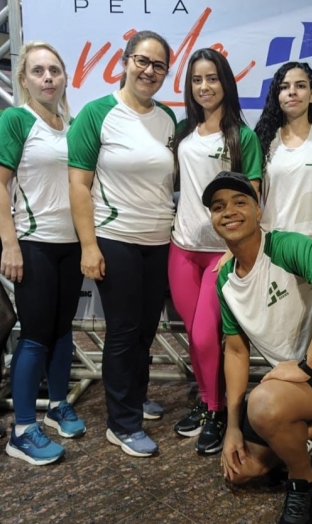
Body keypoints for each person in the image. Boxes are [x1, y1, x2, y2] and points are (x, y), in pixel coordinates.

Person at [204, 171, 312, 524]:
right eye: (218, 206)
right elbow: (236, 352)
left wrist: (307, 366)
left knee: (265, 406)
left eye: (240, 202)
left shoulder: (285, 245)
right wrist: (232, 428)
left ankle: (305, 484)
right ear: (212, 219)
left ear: (258, 210)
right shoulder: (225, 280)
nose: (229, 211)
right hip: (293, 386)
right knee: (242, 469)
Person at [68, 30, 177, 457]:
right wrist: (89, 246)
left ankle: (134, 395)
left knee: (147, 330)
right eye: (142, 61)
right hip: (116, 239)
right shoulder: (97, 114)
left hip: (159, 240)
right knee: (123, 332)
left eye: (158, 65)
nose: (149, 71)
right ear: (125, 61)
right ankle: (122, 423)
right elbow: (79, 185)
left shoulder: (167, 118)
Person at [169, 48, 262, 455]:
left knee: (210, 338)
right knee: (195, 335)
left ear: (226, 82)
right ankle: (210, 405)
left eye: (212, 78)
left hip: (220, 255)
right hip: (182, 248)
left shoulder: (243, 136)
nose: (204, 87)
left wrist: (236, 250)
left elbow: (253, 197)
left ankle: (219, 409)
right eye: (196, 80)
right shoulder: (181, 130)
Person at [0, 41, 85, 465]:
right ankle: (22, 430)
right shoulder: (17, 119)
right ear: (24, 80)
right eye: (38, 71)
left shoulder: (68, 125)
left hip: (71, 246)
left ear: (65, 76)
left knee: (62, 330)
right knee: (34, 337)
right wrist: (9, 242)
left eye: (54, 69)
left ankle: (56, 406)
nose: (48, 77)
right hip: (33, 243)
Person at [254, 62, 312, 257]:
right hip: (272, 247)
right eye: (284, 87)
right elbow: (252, 199)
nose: (292, 92)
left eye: (300, 85)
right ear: (277, 96)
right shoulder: (262, 141)